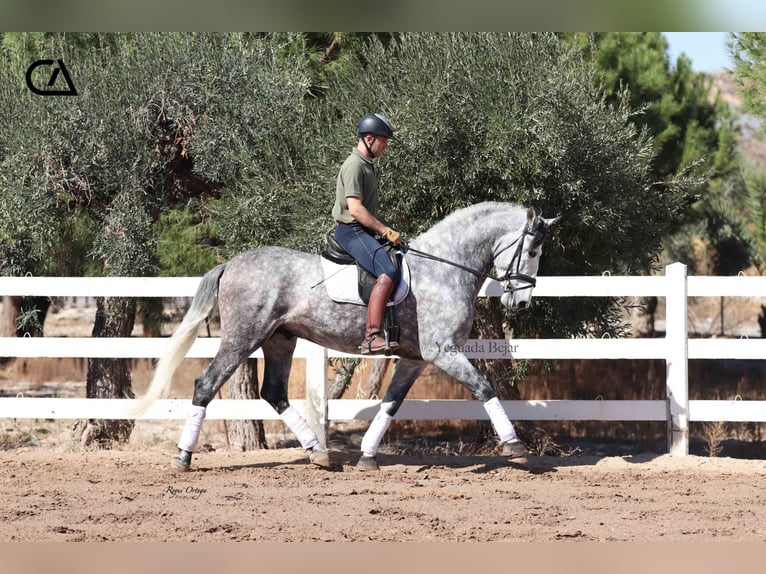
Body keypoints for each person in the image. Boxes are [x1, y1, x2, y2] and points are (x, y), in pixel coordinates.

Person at [332, 112, 404, 354]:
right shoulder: (354, 166)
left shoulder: (366, 166)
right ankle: (372, 336)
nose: (385, 146)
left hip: (362, 230)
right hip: (351, 232)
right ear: (369, 139)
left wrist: (390, 232)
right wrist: (384, 230)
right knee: (388, 271)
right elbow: (355, 209)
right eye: (383, 141)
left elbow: (369, 211)